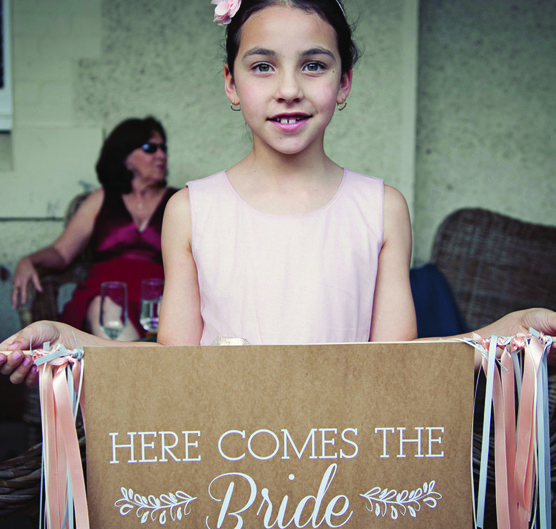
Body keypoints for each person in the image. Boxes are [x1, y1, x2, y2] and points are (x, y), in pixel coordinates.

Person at [1, 0, 555, 384]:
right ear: (231, 83)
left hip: (344, 467)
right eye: (263, 66)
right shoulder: (191, 211)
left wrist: (500, 335)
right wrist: (62, 339)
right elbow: (165, 368)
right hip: (229, 469)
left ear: (343, 84)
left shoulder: (381, 210)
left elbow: (401, 368)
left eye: (313, 65)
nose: (289, 89)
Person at [11, 116, 178, 341]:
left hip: (157, 302)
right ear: (125, 157)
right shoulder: (100, 199)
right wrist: (29, 261)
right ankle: (133, 371)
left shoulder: (178, 200)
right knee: (106, 308)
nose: (161, 155)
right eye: (150, 148)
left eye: (163, 148)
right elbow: (62, 252)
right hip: (102, 295)